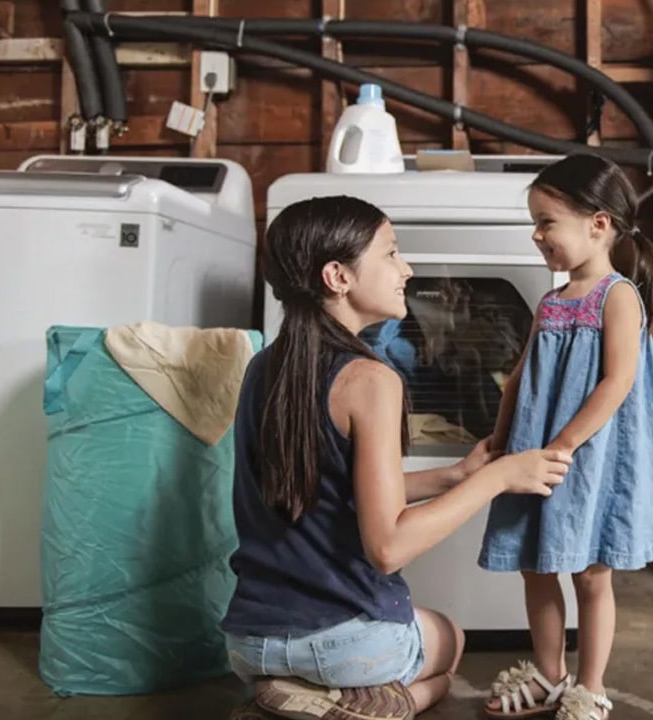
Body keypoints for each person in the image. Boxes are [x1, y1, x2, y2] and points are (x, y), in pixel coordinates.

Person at [219, 195, 573, 719]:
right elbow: (388, 548)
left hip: (250, 641)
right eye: (390, 253)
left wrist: (456, 474)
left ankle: (290, 692)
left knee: (396, 642)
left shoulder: (263, 367)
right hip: (345, 647)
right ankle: (376, 706)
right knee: (450, 642)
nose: (405, 269)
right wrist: (497, 477)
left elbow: (326, 490)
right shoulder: (370, 380)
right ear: (338, 276)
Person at [478, 155, 653, 720]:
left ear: (597, 224)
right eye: (535, 222)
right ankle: (549, 675)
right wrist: (500, 443)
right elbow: (518, 379)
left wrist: (565, 445)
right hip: (536, 454)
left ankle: (590, 687)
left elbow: (618, 381)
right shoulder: (551, 302)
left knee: (591, 572)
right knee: (537, 565)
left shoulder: (618, 296)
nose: (536, 233)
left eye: (547, 221)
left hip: (585, 457)